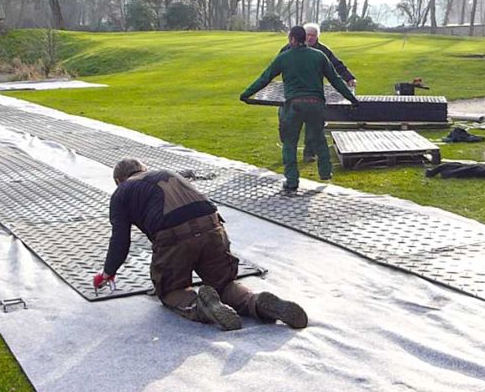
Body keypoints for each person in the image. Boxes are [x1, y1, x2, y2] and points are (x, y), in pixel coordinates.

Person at [92, 158, 308, 331]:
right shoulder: (168, 173)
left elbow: (120, 240)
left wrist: (108, 272)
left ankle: (202, 306)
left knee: (171, 291)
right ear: (143, 168)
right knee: (224, 284)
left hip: (173, 237)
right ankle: (258, 302)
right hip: (213, 227)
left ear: (119, 181)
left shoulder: (122, 192)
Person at [241, 25, 358, 192]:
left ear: (292, 39)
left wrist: (246, 94)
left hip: (294, 105)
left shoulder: (284, 57)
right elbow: (336, 80)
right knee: (319, 138)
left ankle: (292, 181)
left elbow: (265, 78)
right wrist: (352, 99)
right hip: (316, 105)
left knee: (290, 143)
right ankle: (325, 172)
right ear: (305, 38)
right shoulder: (319, 56)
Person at [278, 23, 357, 162]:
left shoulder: (323, 51)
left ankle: (309, 153)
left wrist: (349, 78)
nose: (310, 38)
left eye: (313, 35)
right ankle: (288, 149)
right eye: (308, 34)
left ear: (317, 37)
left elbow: (336, 65)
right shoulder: (288, 48)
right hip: (291, 92)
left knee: (313, 123)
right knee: (285, 120)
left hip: (313, 93)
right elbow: (276, 66)